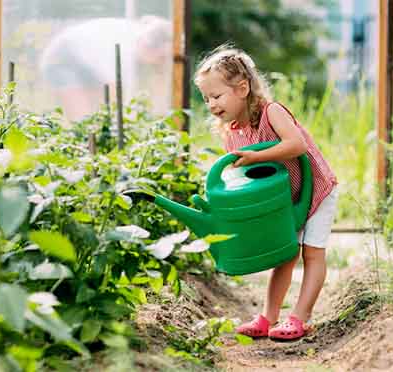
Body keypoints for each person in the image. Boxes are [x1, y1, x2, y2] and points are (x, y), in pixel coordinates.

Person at [194, 45, 339, 341]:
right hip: (285, 200)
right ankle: (267, 318)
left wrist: (257, 156)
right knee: (285, 255)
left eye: (217, 96)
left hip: (317, 190)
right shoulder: (232, 131)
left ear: (243, 88)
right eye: (206, 98)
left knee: (312, 253)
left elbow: (297, 145)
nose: (211, 104)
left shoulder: (272, 112)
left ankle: (299, 317)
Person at [40, 15, 172, 121]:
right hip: (62, 59)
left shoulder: (140, 36)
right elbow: (115, 91)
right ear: (150, 47)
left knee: (98, 114)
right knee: (83, 119)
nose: (160, 63)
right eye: (161, 58)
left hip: (86, 64)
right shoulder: (124, 48)